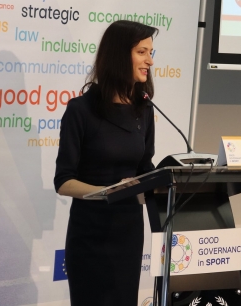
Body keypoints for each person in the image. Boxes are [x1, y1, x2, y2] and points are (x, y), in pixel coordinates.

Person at [54, 20, 157, 306]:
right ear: (118, 55)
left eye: (151, 53)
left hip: (128, 233)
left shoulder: (144, 109)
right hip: (91, 234)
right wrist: (108, 192)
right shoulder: (81, 110)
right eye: (141, 52)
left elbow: (145, 169)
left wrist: (158, 185)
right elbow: (63, 181)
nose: (149, 61)